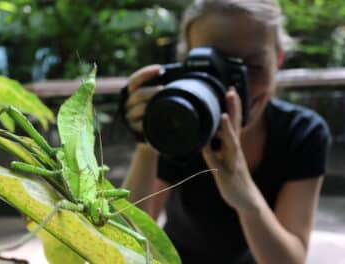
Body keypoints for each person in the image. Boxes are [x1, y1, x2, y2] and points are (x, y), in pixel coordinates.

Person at [121, 0, 331, 263]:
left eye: (253, 66)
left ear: (278, 59)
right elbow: (124, 244)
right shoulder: (181, 122)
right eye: (215, 66)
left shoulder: (302, 133)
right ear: (189, 63)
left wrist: (244, 194)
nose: (236, 90)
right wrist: (147, 141)